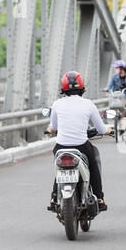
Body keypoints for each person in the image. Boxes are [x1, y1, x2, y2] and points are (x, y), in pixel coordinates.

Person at [48, 71, 113, 211]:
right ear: (82, 86)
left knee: (60, 168)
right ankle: (99, 198)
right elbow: (101, 129)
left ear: (63, 87)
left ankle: (54, 197)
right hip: (81, 146)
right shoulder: (88, 104)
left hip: (61, 146)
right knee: (93, 165)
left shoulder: (57, 104)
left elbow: (53, 127)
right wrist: (108, 130)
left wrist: (50, 130)